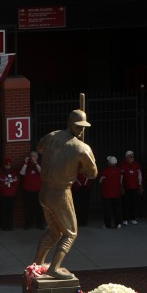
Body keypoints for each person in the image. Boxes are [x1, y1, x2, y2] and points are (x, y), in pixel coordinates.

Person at [33, 109, 98, 279]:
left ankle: (37, 264)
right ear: (70, 124)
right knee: (70, 233)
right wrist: (79, 159)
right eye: (78, 126)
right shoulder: (82, 148)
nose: (81, 130)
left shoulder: (53, 136)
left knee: (54, 231)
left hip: (45, 191)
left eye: (83, 127)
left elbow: (39, 147)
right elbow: (92, 173)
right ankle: (54, 268)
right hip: (61, 193)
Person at [0, 157, 19, 231]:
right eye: (6, 165)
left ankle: (10, 225)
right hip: (3, 194)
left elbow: (17, 181)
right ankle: (4, 225)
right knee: (4, 210)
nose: (8, 167)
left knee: (10, 210)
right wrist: (4, 182)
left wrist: (11, 181)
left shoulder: (14, 172)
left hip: (12, 194)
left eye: (9, 165)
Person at [20, 151, 43, 230]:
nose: (32, 158)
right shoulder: (26, 164)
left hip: (37, 190)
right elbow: (22, 173)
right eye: (31, 156)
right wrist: (25, 163)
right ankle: (28, 224)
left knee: (39, 208)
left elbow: (42, 172)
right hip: (27, 190)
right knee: (28, 208)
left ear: (37, 157)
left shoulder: (39, 164)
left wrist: (36, 163)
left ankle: (40, 223)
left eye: (34, 156)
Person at [99, 156, 123, 229]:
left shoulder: (105, 171)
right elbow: (121, 181)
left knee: (107, 210)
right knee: (117, 209)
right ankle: (118, 223)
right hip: (117, 193)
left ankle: (108, 224)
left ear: (109, 163)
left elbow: (100, 181)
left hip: (107, 194)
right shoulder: (119, 171)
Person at [120, 150, 143, 225]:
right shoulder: (122, 164)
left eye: (133, 156)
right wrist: (121, 187)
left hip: (135, 187)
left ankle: (133, 218)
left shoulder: (137, 165)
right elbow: (120, 177)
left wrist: (140, 185)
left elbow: (139, 175)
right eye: (130, 156)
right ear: (126, 157)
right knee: (125, 204)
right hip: (126, 188)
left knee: (134, 204)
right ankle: (125, 219)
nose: (132, 157)